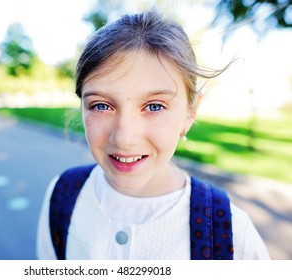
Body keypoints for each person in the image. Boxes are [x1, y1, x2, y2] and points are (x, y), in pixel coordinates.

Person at [36, 9, 270, 260]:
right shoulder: (62, 197)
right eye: (101, 106)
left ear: (190, 113)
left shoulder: (232, 235)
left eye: (154, 106)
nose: (125, 138)